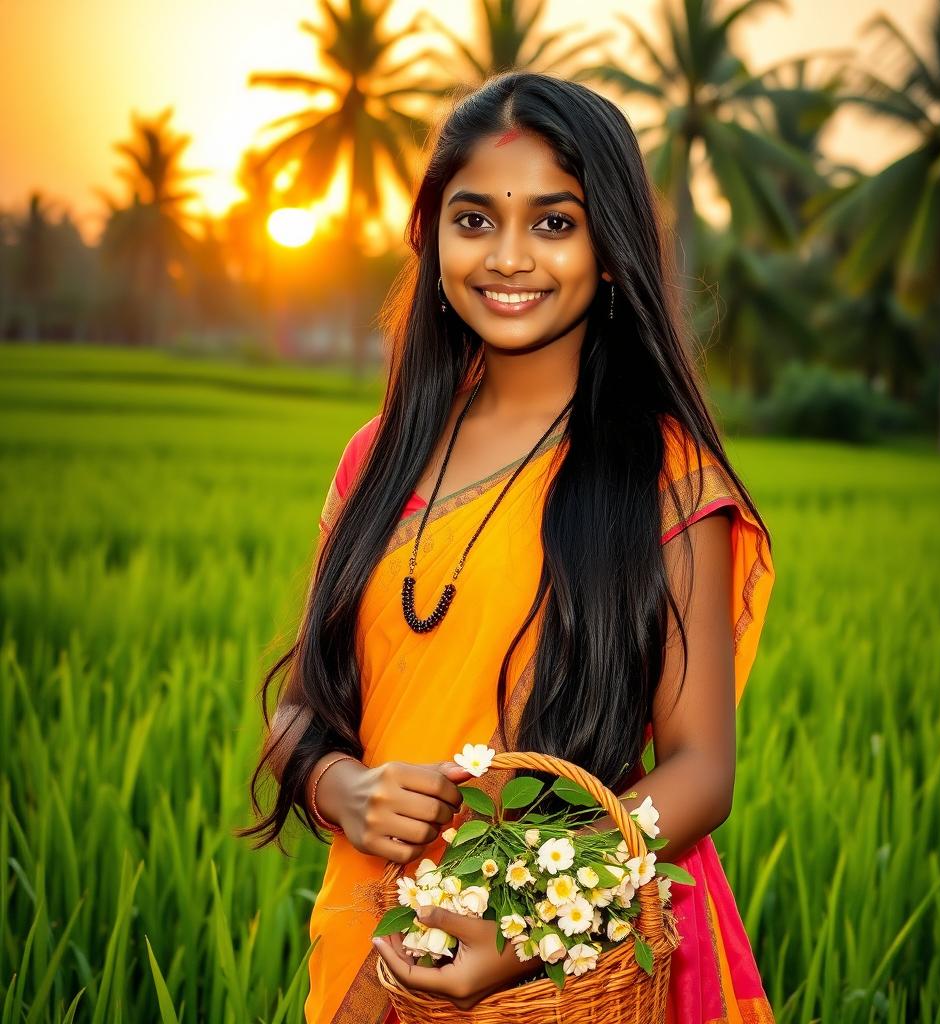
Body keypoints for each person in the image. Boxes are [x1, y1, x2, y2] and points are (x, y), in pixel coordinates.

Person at [239, 71, 776, 1024]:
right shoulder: (375, 459)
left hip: (566, 974)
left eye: (555, 223)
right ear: (432, 237)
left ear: (611, 250)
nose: (510, 257)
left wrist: (526, 917)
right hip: (370, 955)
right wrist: (340, 787)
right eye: (475, 219)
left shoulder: (666, 478)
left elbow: (701, 770)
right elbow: (298, 711)